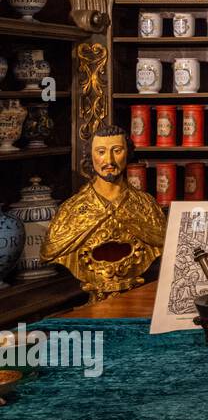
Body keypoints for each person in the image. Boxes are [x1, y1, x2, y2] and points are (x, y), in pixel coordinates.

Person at [42, 122, 166, 301]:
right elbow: (51, 249)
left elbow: (161, 239)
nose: (109, 161)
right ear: (90, 156)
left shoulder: (147, 206)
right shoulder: (72, 210)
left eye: (117, 151)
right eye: (101, 152)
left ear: (128, 153)